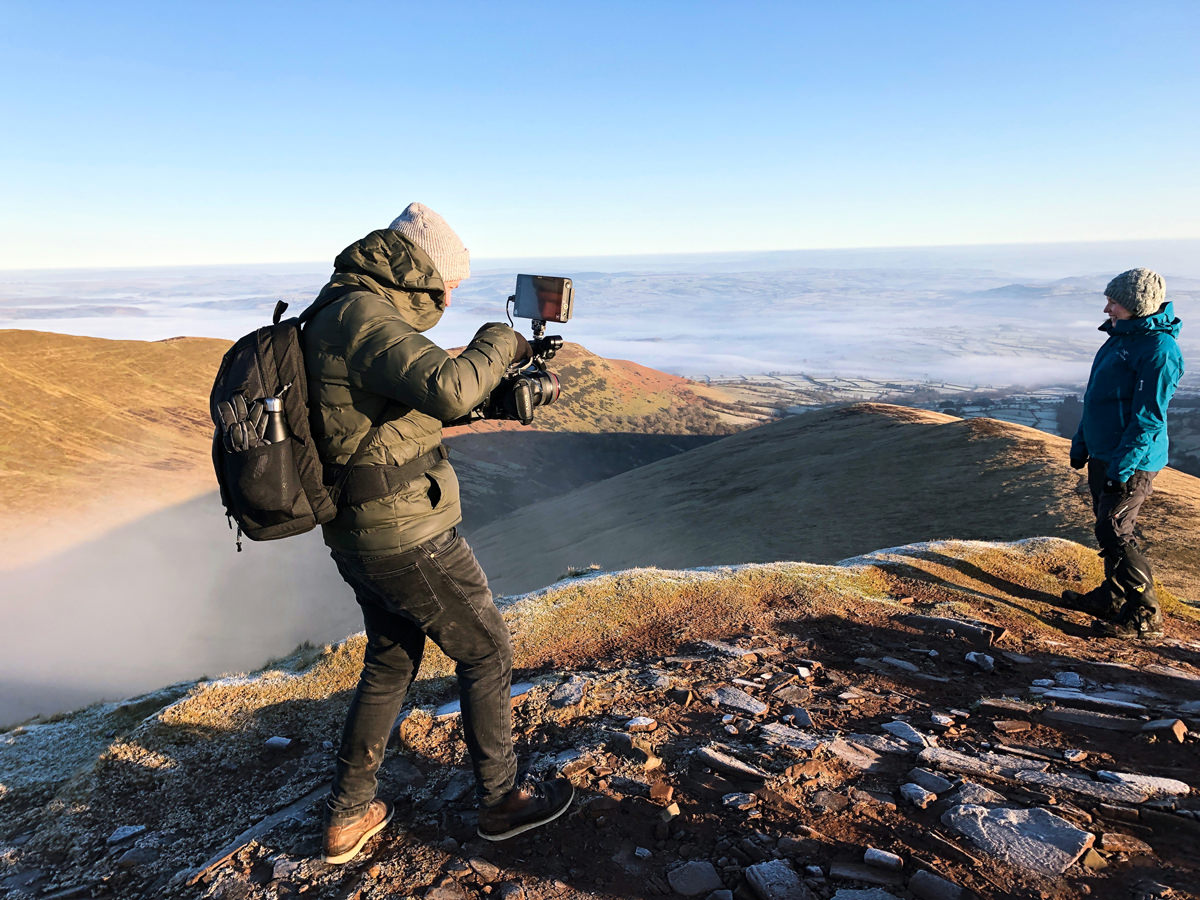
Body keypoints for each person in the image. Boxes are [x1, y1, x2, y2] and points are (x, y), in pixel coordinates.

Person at [303, 203, 574, 864]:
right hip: (404, 534)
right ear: (422, 270)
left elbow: (391, 418)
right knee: (484, 650)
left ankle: (348, 815)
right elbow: (449, 388)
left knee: (392, 658)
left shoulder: (344, 308)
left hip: (361, 529)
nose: (451, 296)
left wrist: (498, 400)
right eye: (448, 284)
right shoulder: (361, 314)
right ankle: (504, 803)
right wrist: (501, 341)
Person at [1063, 268, 1184, 639]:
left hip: (1131, 459)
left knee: (1114, 529)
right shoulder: (1119, 340)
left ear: (1136, 305)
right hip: (1106, 453)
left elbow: (1148, 418)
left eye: (1112, 302)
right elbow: (1096, 399)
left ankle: (1146, 614)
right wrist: (1082, 442)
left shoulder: (1159, 351)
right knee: (1107, 528)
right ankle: (1112, 598)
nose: (1106, 309)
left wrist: (1123, 466)